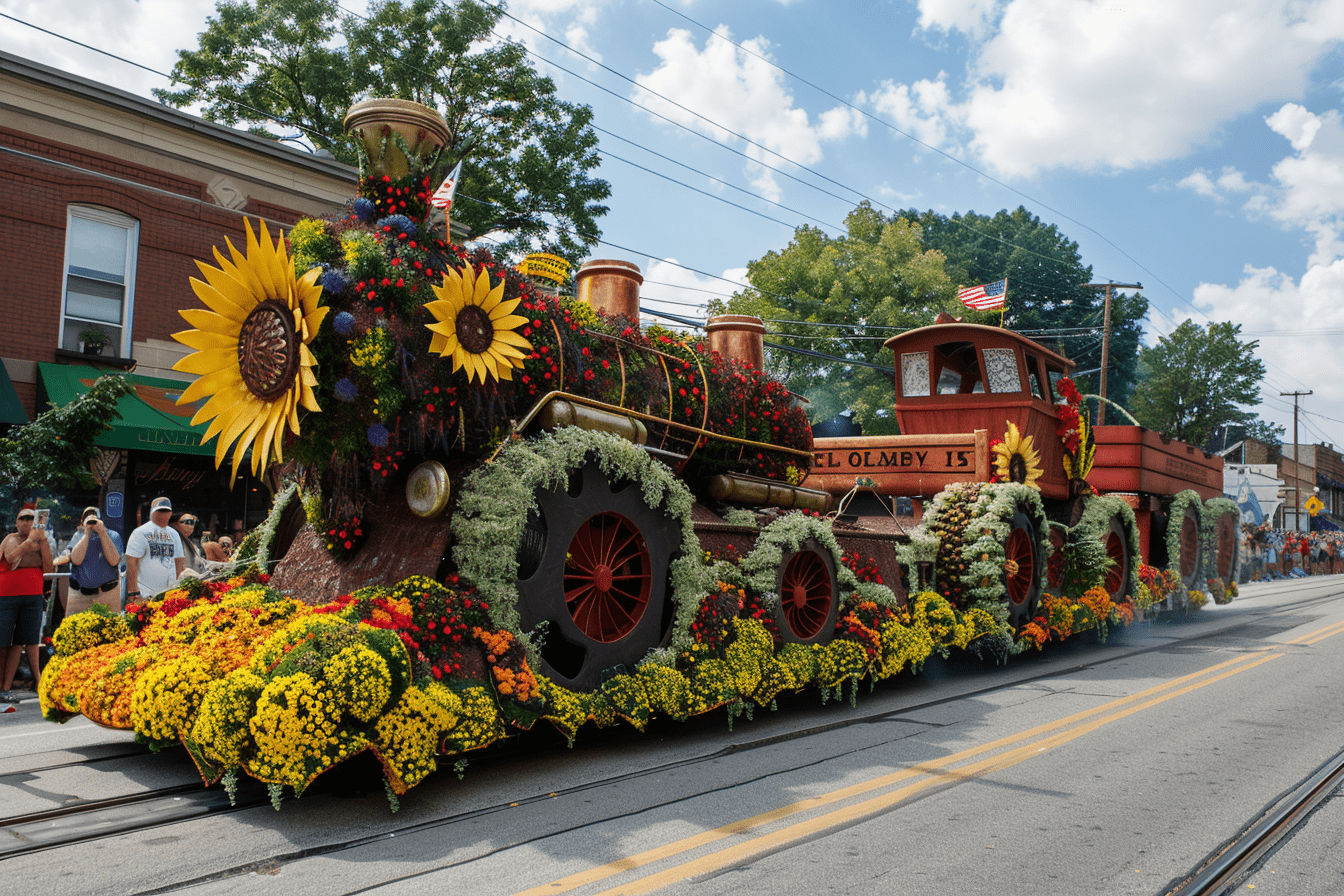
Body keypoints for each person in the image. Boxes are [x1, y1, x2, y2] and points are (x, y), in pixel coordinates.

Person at [1, 507, 52, 703]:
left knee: (25, 640)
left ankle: (10, 687)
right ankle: (3, 686)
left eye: (31, 518)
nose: (27, 521)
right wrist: (29, 543)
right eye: (23, 518)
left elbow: (48, 568)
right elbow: (11, 558)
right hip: (6, 596)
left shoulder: (41, 542)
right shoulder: (10, 538)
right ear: (16, 522)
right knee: (3, 642)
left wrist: (43, 541)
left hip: (32, 596)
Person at [124, 496, 185, 601]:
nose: (163, 515)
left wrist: (178, 588)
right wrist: (132, 591)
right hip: (145, 593)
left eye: (166, 511)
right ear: (152, 513)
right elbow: (132, 561)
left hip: (169, 593)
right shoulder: (140, 532)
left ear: (170, 514)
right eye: (160, 511)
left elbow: (179, 561)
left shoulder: (174, 534)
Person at [66, 506, 123, 615]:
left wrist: (102, 533)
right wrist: (87, 534)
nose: (91, 520)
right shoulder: (78, 536)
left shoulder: (113, 535)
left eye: (94, 517)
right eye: (87, 518)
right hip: (81, 594)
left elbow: (114, 561)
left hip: (107, 593)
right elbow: (76, 560)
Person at [170, 511, 206, 577]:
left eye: (193, 523)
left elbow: (202, 563)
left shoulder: (191, 543)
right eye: (188, 522)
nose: (191, 526)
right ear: (174, 524)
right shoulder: (172, 541)